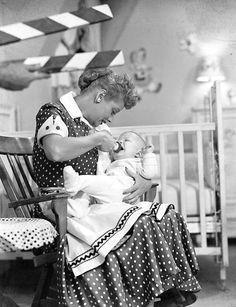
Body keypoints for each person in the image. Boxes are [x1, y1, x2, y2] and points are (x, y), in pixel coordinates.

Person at [32, 68, 200, 307]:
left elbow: (120, 165)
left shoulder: (97, 127)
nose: (110, 119)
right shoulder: (54, 112)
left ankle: (170, 291)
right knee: (141, 221)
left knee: (166, 215)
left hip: (94, 204)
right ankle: (162, 294)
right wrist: (97, 139)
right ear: (100, 96)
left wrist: (143, 180)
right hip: (63, 206)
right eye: (113, 111)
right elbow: (55, 150)